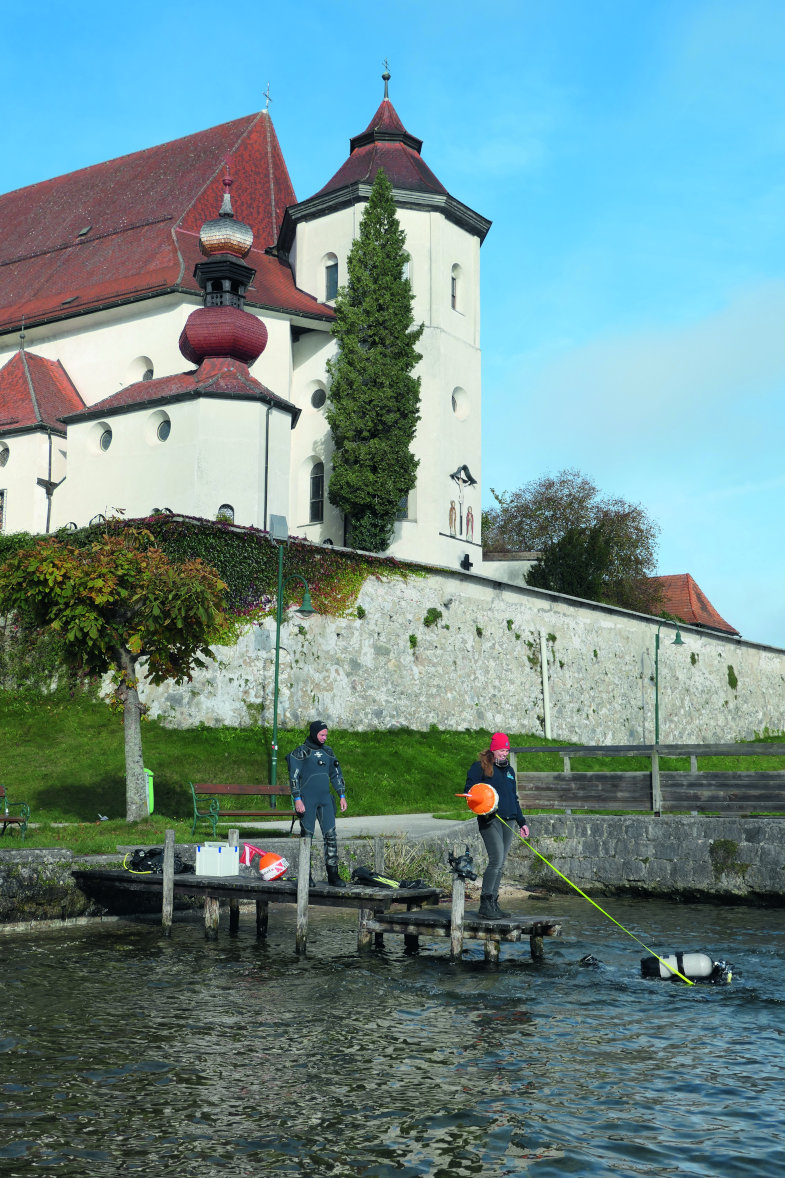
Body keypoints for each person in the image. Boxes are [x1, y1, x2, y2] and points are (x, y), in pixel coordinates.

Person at [465, 732, 529, 918]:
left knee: (501, 863)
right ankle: (484, 905)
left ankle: (493, 903)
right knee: (496, 859)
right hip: (490, 820)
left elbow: (513, 798)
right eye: (502, 750)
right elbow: (470, 792)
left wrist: (521, 821)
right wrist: (484, 805)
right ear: (493, 750)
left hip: (509, 819)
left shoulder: (509, 771)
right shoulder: (480, 767)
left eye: (507, 750)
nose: (505, 753)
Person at [286, 720, 348, 887]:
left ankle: (333, 875)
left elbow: (336, 773)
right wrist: (297, 799)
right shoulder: (301, 752)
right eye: (322, 734)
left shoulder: (328, 752)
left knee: (331, 836)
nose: (324, 738)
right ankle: (306, 875)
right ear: (314, 733)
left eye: (326, 735)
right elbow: (294, 777)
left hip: (325, 801)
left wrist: (341, 795)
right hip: (307, 800)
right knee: (307, 837)